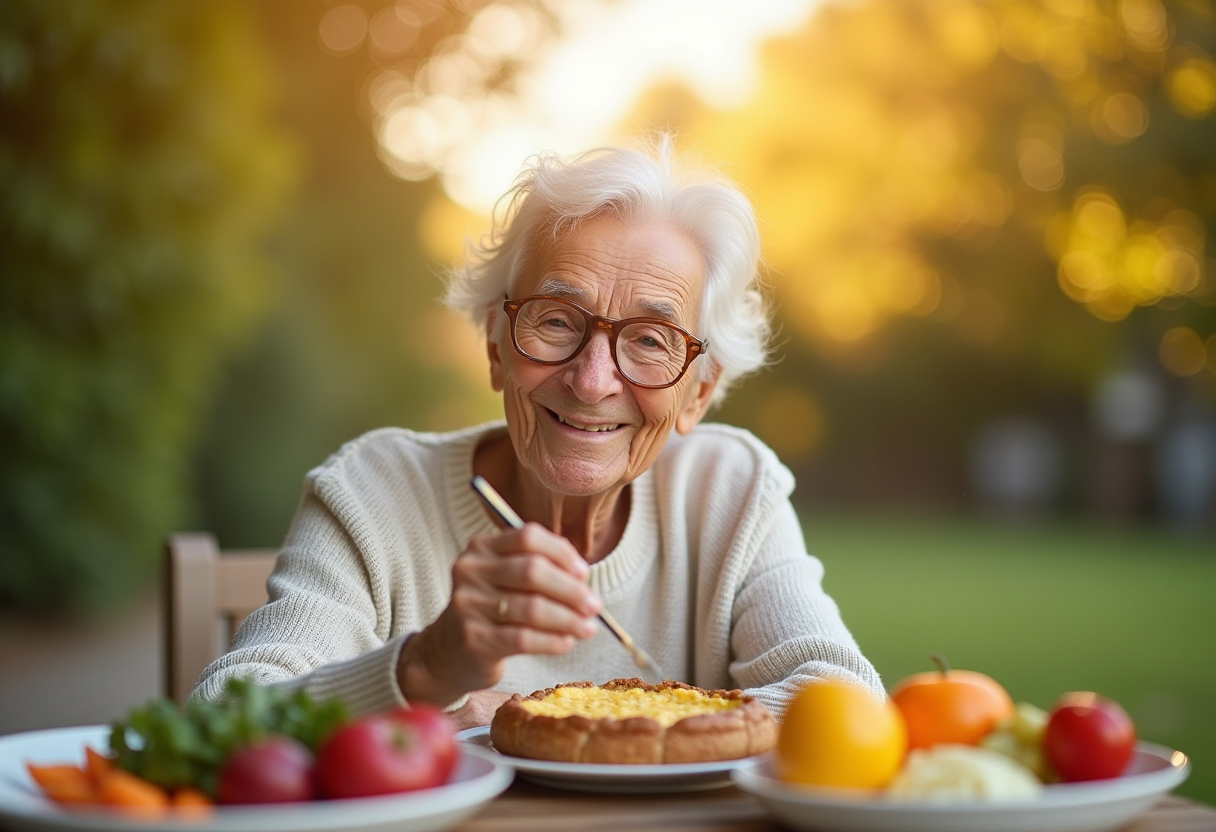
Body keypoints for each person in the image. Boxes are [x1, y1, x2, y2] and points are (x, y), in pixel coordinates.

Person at [193, 139, 885, 728]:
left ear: (698, 393)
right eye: (555, 321)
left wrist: (534, 715)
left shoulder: (730, 492)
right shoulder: (375, 492)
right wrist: (426, 667)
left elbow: (846, 706)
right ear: (496, 343)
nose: (591, 380)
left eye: (650, 340)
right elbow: (217, 721)